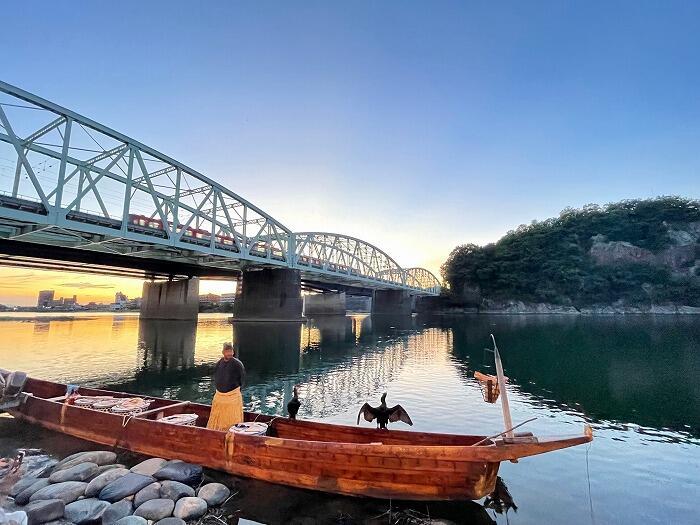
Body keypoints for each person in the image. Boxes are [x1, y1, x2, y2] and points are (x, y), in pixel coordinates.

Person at [206, 342, 246, 431]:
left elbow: (242, 380)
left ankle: (232, 432)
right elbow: (216, 376)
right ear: (223, 352)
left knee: (232, 420)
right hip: (220, 397)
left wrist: (234, 391)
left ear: (233, 352)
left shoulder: (238, 364)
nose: (230, 353)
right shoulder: (219, 363)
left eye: (231, 351)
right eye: (227, 351)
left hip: (232, 397)